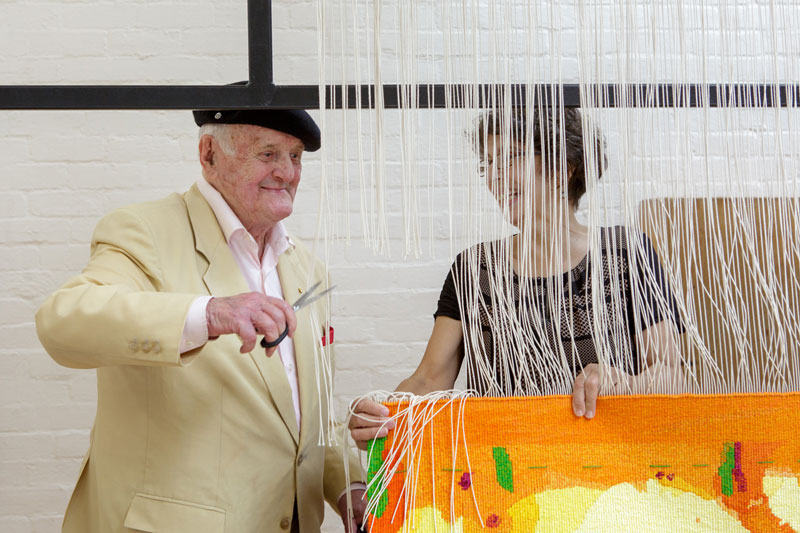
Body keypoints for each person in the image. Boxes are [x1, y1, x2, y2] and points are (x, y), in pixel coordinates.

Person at [36, 107, 367, 532]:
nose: (287, 172)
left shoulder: (309, 269)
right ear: (209, 154)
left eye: (296, 156)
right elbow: (62, 323)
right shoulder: (143, 231)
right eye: (268, 154)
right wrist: (209, 313)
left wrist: (349, 486)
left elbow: (306, 416)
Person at [349, 107, 684, 449]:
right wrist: (383, 416)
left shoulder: (625, 254)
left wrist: (622, 381)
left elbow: (673, 374)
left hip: (611, 477)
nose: (493, 177)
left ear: (562, 169)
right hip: (507, 480)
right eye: (487, 164)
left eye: (507, 159)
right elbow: (428, 379)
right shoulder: (473, 270)